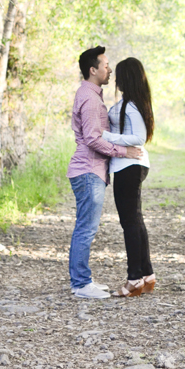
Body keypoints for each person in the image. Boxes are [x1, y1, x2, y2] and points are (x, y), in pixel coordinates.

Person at [67, 46, 142, 299]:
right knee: (85, 228)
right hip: (88, 170)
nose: (109, 69)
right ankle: (80, 284)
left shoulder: (92, 95)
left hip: (92, 171)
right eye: (106, 65)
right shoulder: (89, 98)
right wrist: (124, 152)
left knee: (87, 227)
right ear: (93, 69)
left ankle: (83, 280)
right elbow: (91, 138)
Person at [102, 57, 155, 297]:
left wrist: (106, 136)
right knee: (136, 221)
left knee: (130, 223)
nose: (115, 78)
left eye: (119, 74)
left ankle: (134, 278)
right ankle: (147, 274)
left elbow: (138, 138)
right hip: (131, 166)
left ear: (128, 78)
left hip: (128, 167)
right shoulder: (131, 103)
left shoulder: (131, 106)